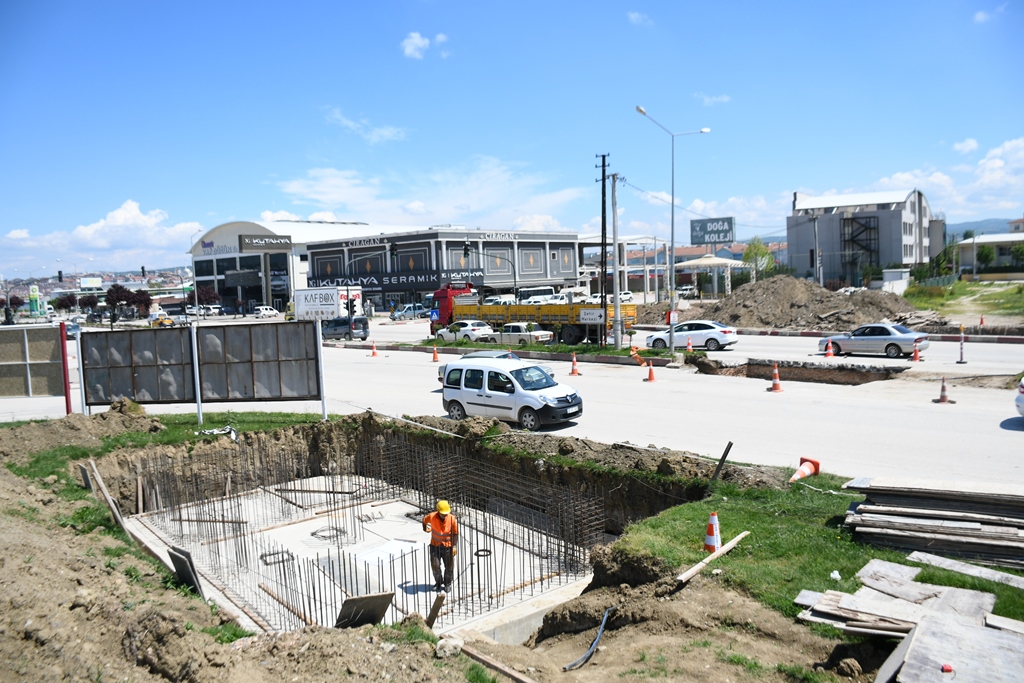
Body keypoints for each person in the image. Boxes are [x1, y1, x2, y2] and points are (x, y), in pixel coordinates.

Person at [422, 499, 458, 592]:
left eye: (446, 513)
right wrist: (425, 528)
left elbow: (455, 534)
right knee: (435, 566)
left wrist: (454, 546)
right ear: (438, 512)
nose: (445, 515)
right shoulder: (432, 516)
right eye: (443, 514)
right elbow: (424, 521)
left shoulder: (452, 518)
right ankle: (438, 583)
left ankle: (447, 583)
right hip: (435, 545)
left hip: (448, 547)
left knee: (449, 567)